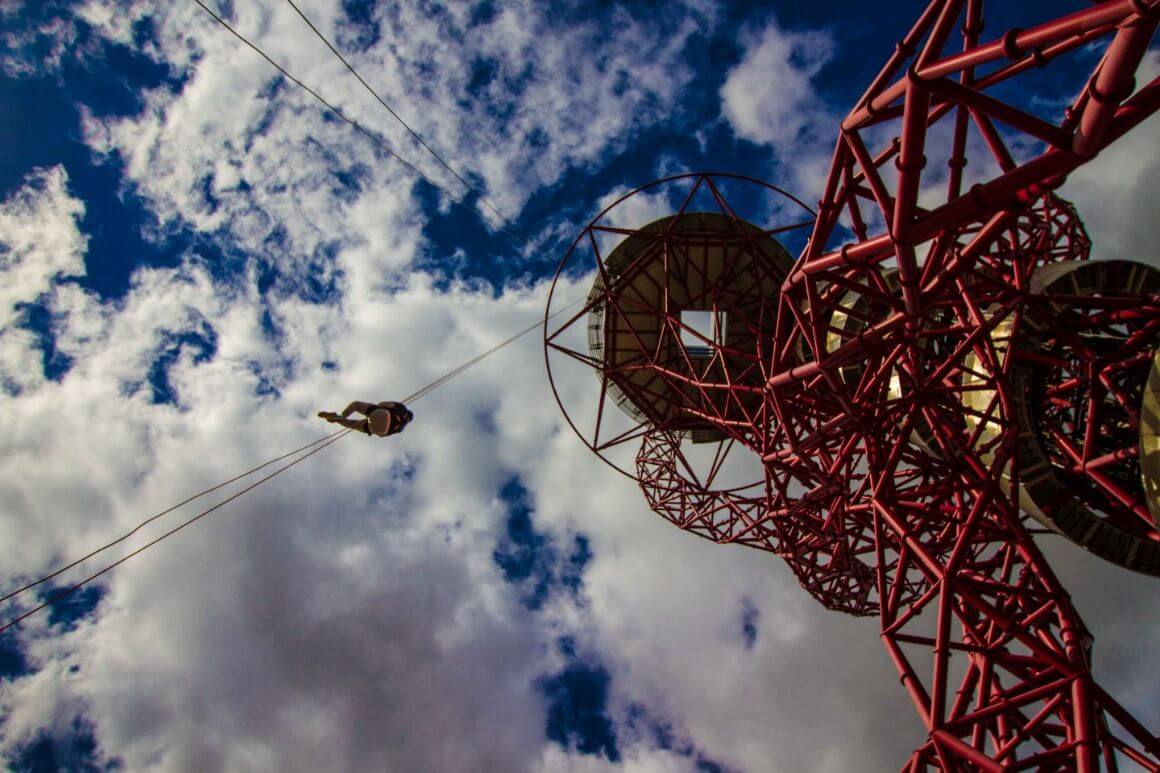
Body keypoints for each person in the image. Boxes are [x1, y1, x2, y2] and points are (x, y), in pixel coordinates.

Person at [318, 401, 413, 437]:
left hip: (382, 414)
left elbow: (383, 404)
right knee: (351, 424)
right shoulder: (401, 428)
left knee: (356, 405)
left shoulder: (401, 407)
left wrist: (374, 410)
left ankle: (342, 416)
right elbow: (383, 436)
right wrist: (373, 427)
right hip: (379, 430)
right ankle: (338, 419)